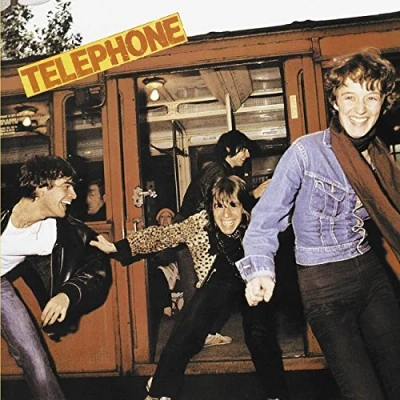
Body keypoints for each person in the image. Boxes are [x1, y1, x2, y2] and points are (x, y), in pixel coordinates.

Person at [236, 48, 400, 400]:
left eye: (371, 97)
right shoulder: (306, 152)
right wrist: (260, 271)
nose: (360, 108)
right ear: (335, 102)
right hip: (324, 288)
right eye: (350, 96)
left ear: (382, 103)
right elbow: (264, 220)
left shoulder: (380, 156)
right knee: (364, 392)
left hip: (371, 275)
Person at [91, 175, 288, 400]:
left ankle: (276, 395)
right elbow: (162, 236)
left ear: (243, 207)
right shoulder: (200, 223)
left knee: (259, 334)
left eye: (233, 205)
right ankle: (159, 392)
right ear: (211, 208)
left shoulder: (258, 221)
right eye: (219, 206)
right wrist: (117, 247)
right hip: (219, 277)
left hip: (253, 277)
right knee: (187, 329)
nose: (226, 215)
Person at [1, 155, 112, 400]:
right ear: (41, 187)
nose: (73, 195)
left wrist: (67, 294)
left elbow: (96, 267)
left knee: (35, 360)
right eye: (66, 186)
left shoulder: (60, 230)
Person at [174, 128, 270, 346]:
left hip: (195, 233)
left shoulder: (220, 170)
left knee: (203, 284)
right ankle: (194, 336)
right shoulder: (217, 171)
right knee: (197, 287)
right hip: (192, 233)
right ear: (229, 149)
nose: (247, 154)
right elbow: (218, 204)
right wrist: (254, 194)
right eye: (243, 149)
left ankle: (202, 333)